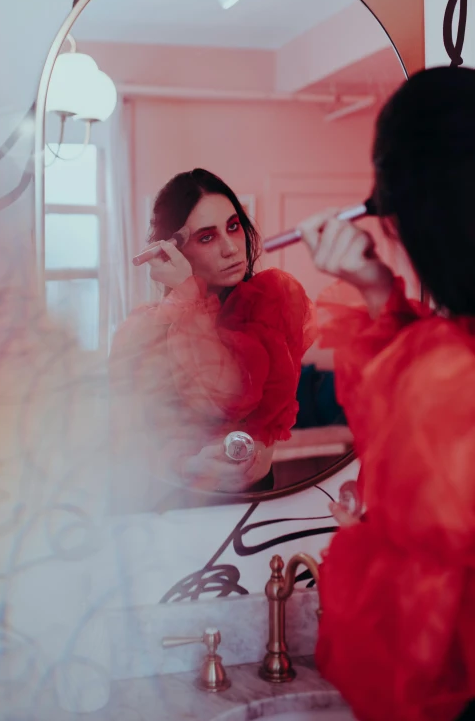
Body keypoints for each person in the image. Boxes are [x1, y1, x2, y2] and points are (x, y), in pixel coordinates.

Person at [298, 66, 475, 721]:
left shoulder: (447, 374)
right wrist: (376, 290)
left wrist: (368, 539)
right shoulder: (443, 357)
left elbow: (409, 656)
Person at [109, 168, 314, 503]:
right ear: (173, 252)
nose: (231, 249)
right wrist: (187, 466)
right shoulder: (143, 329)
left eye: (233, 227)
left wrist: (188, 302)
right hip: (171, 503)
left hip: (253, 506)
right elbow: (130, 439)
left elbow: (236, 402)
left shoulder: (271, 303)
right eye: (207, 237)